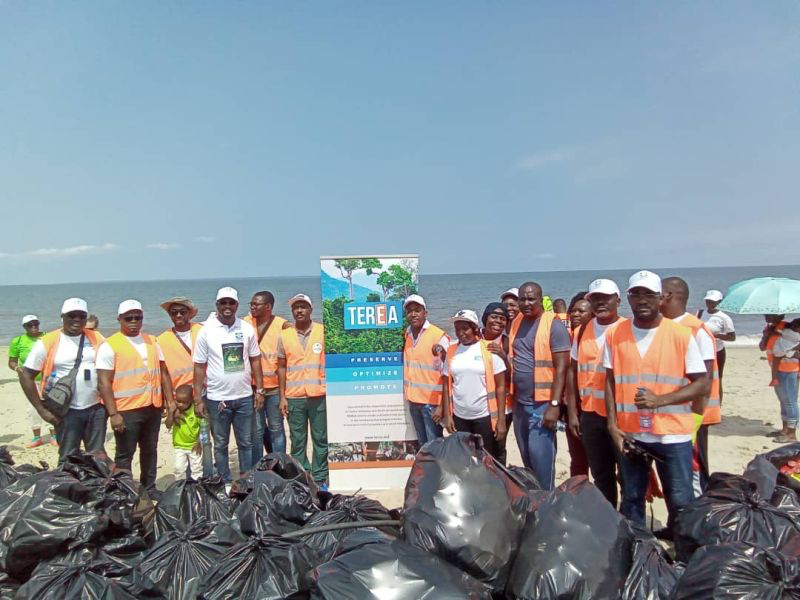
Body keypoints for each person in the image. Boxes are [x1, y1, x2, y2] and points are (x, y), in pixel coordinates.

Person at [604, 271, 709, 538]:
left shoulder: (681, 335)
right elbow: (610, 380)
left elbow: (702, 384)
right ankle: (638, 550)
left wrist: (660, 400)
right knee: (632, 497)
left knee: (680, 498)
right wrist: (612, 425)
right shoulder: (616, 334)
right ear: (628, 298)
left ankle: (683, 551)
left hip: (671, 433)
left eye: (649, 294)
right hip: (631, 433)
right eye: (636, 294)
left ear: (661, 298)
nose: (642, 300)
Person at [97, 300, 174, 491]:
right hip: (126, 410)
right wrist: (113, 414)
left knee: (150, 450)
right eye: (128, 318)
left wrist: (169, 401)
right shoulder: (110, 345)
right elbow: (104, 382)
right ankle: (125, 491)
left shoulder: (152, 341)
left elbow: (163, 372)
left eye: (137, 318)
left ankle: (149, 488)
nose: (134, 322)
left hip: (152, 407)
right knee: (125, 454)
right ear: (119, 319)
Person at [19, 299, 107, 465]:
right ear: (62, 317)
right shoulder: (48, 341)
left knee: (97, 457)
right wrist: (41, 410)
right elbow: (26, 376)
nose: (77, 320)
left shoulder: (96, 337)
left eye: (81, 316)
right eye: (71, 315)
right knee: (68, 458)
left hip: (95, 409)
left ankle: (94, 481)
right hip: (66, 411)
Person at [193, 287, 264, 483]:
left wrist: (260, 390)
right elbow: (199, 366)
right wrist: (197, 399)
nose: (227, 306)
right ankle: (224, 481)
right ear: (217, 305)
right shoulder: (206, 331)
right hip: (217, 399)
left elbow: (255, 360)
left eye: (231, 302)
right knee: (220, 444)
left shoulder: (246, 328)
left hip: (244, 397)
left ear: (236, 305)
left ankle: (245, 481)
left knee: (246, 443)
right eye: (223, 302)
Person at [566, 279, 625, 507]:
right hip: (590, 414)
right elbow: (573, 372)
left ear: (618, 300)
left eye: (605, 298)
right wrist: (573, 413)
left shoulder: (628, 329)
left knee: (627, 474)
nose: (600, 302)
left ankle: (629, 520)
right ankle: (607, 517)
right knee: (601, 474)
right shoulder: (582, 331)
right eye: (595, 298)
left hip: (621, 416)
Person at [660, 276, 720, 495]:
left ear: (668, 296)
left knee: (693, 471)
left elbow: (705, 380)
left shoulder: (696, 330)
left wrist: (694, 420)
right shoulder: (664, 327)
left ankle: (698, 513)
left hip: (694, 416)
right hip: (671, 415)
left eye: (657, 292)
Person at [508, 281, 571, 489]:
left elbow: (562, 368)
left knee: (541, 459)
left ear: (541, 300)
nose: (526, 303)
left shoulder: (553, 325)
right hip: (519, 403)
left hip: (542, 404)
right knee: (527, 459)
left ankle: (547, 501)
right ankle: (534, 500)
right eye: (522, 299)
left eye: (531, 299)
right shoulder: (516, 322)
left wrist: (554, 405)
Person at [157, 296, 212, 477]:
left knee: (204, 437)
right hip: (181, 398)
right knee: (184, 437)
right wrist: (170, 402)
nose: (179, 315)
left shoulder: (202, 331)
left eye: (182, 312)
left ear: (190, 313)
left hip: (204, 393)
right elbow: (164, 373)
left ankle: (205, 476)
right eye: (174, 313)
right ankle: (187, 480)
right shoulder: (162, 339)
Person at [277, 293, 328, 487]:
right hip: (294, 396)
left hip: (319, 394)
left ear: (310, 309)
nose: (299, 310)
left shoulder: (322, 332)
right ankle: (301, 476)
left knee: (320, 438)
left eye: (303, 306)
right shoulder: (284, 336)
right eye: (295, 307)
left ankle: (320, 475)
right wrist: (282, 397)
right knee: (298, 440)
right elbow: (281, 367)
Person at [442, 309, 507, 459]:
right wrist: (447, 415)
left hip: (484, 416)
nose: (460, 333)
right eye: (457, 329)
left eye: (465, 329)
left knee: (486, 457)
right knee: (465, 457)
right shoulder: (452, 351)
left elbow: (501, 387)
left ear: (475, 328)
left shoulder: (489, 349)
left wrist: (501, 420)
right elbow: (446, 385)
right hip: (459, 416)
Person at [242, 291, 288, 460]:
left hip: (274, 387)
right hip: (253, 387)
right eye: (251, 304)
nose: (252, 307)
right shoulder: (245, 323)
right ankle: (258, 466)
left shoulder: (282, 325)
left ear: (268, 306)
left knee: (276, 428)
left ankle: (280, 464)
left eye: (256, 304)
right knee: (256, 430)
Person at [402, 294, 450, 445]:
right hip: (414, 401)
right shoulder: (408, 335)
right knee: (423, 446)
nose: (413, 314)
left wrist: (442, 406)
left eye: (417, 310)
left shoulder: (438, 336)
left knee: (435, 446)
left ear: (425, 313)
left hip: (432, 404)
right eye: (409, 311)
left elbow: (448, 374)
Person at [9, 315, 53, 447]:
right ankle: (36, 437)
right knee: (33, 408)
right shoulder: (18, 341)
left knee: (51, 405)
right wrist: (17, 368)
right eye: (30, 325)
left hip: (48, 379)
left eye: (36, 324)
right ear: (24, 327)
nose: (34, 327)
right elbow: (12, 361)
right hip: (30, 381)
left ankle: (54, 435)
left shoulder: (48, 337)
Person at [563, 294, 592, 478]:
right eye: (573, 311)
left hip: (592, 407)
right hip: (571, 405)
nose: (575, 314)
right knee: (578, 458)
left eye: (581, 311)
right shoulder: (567, 335)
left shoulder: (595, 337)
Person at [481, 302, 513, 464]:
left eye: (502, 319)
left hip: (502, 406)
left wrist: (503, 356)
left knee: (498, 447)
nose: (498, 321)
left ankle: (500, 476)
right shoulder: (474, 338)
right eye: (494, 317)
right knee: (479, 447)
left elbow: (511, 377)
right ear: (485, 319)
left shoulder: (508, 343)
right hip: (478, 405)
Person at [761, 314, 799, 441]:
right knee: (783, 401)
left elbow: (792, 346)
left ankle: (792, 434)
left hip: (789, 369)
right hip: (778, 369)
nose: (766, 316)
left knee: (790, 402)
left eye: (770, 314)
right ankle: (785, 430)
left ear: (780, 315)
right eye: (765, 314)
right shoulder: (769, 329)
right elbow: (762, 347)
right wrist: (766, 335)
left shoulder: (787, 327)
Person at [697, 290, 735, 401]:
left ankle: (718, 404)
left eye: (713, 301)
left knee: (717, 379)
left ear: (719, 302)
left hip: (717, 351)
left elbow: (732, 337)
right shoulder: (700, 313)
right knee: (701, 377)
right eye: (708, 301)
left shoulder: (724, 318)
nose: (710, 303)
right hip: (701, 351)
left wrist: (716, 335)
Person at [167, 384, 202, 480]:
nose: (180, 404)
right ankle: (180, 486)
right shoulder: (175, 410)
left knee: (197, 469)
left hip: (194, 445)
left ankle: (196, 486)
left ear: (191, 400)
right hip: (179, 446)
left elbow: (203, 427)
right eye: (178, 401)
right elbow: (168, 425)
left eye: (184, 402)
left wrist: (199, 441)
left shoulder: (195, 411)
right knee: (178, 468)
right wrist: (171, 412)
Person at [768, 318, 800, 387]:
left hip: (781, 350)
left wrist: (771, 331)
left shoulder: (786, 330)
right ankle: (798, 373)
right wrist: (793, 349)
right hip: (791, 350)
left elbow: (778, 332)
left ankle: (774, 378)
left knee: (776, 361)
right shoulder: (797, 334)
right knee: (798, 356)